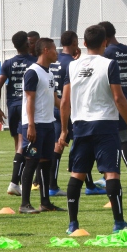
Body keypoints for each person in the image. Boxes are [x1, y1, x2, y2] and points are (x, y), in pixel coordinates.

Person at [58, 25, 127, 234]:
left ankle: (73, 225)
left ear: (84, 43)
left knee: (77, 174)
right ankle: (119, 223)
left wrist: (63, 131)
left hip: (80, 126)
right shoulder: (109, 64)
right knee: (111, 173)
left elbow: (65, 102)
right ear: (105, 42)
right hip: (105, 125)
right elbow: (118, 98)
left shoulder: (72, 66)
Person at [19, 37, 65, 214]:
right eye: (54, 49)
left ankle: (45, 202)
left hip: (48, 124)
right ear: (46, 50)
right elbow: (29, 99)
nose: (57, 52)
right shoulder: (33, 72)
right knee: (31, 162)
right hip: (35, 125)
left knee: (47, 163)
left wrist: (70, 111)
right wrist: (30, 125)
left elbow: (55, 100)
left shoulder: (50, 73)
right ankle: (24, 204)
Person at [100, 21, 127, 189]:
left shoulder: (107, 53)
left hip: (114, 97)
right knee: (119, 136)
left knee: (120, 139)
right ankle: (110, 177)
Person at [0, 31, 37, 197]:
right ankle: (15, 181)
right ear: (27, 43)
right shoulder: (34, 62)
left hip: (12, 106)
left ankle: (18, 181)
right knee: (25, 145)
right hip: (28, 106)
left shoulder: (8, 63)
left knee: (18, 143)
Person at [45, 30, 79, 197]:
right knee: (78, 144)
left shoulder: (54, 61)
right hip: (69, 109)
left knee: (58, 145)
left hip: (54, 106)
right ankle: (54, 184)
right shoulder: (72, 63)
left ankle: (51, 183)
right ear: (74, 43)